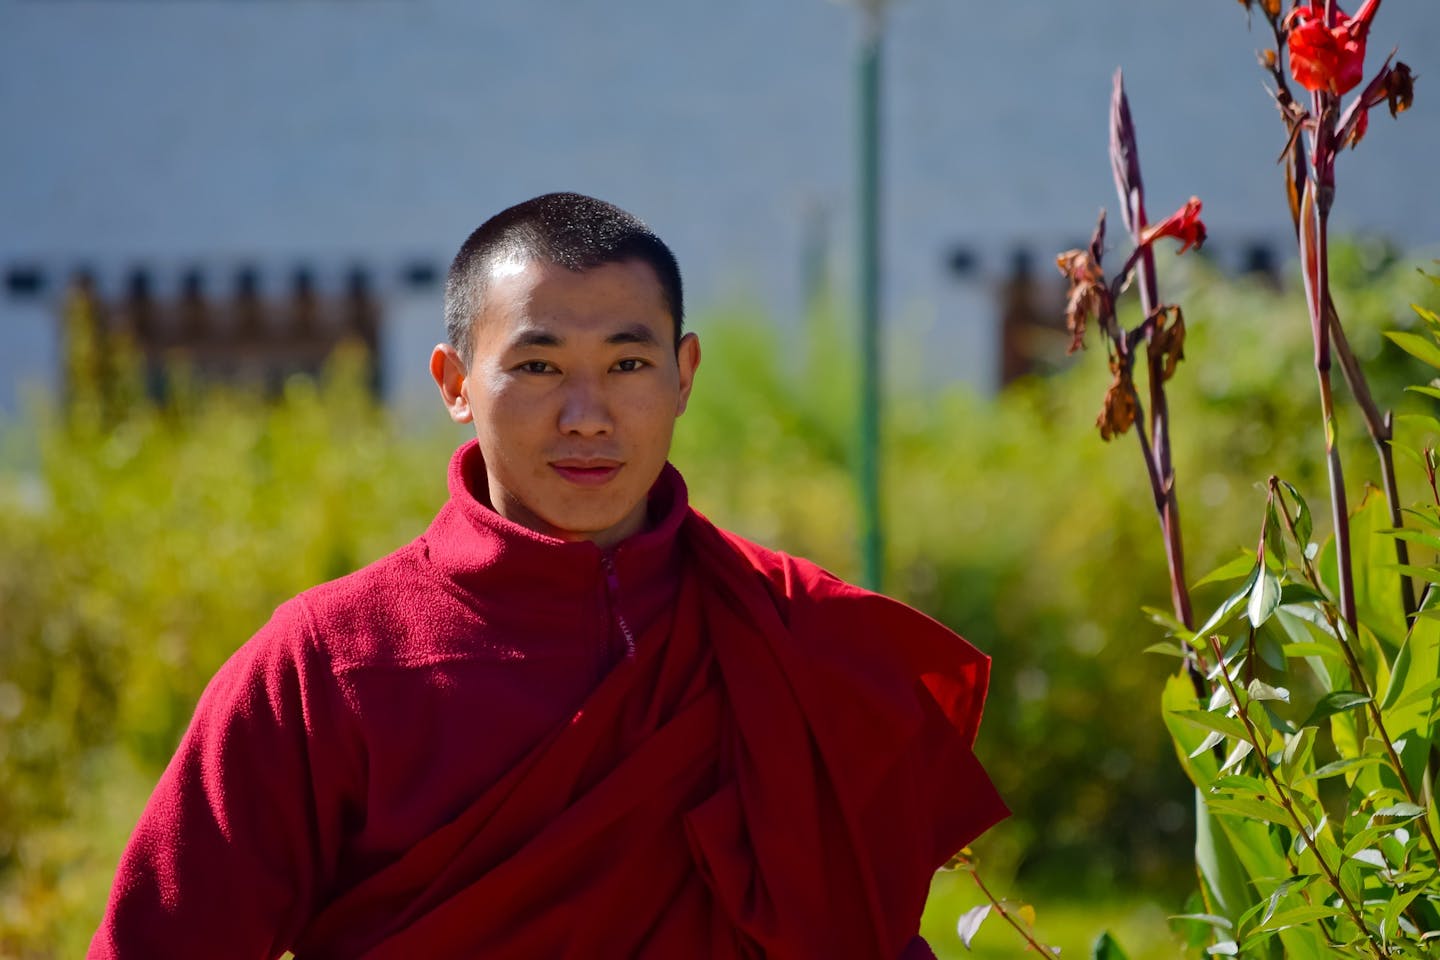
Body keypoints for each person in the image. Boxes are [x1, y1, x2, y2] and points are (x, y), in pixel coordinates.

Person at [90, 192, 1007, 959]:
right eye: (537, 366)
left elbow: (866, 933)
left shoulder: (793, 634)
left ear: (684, 375)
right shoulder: (328, 663)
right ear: (455, 383)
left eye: (628, 363)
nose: (586, 416)